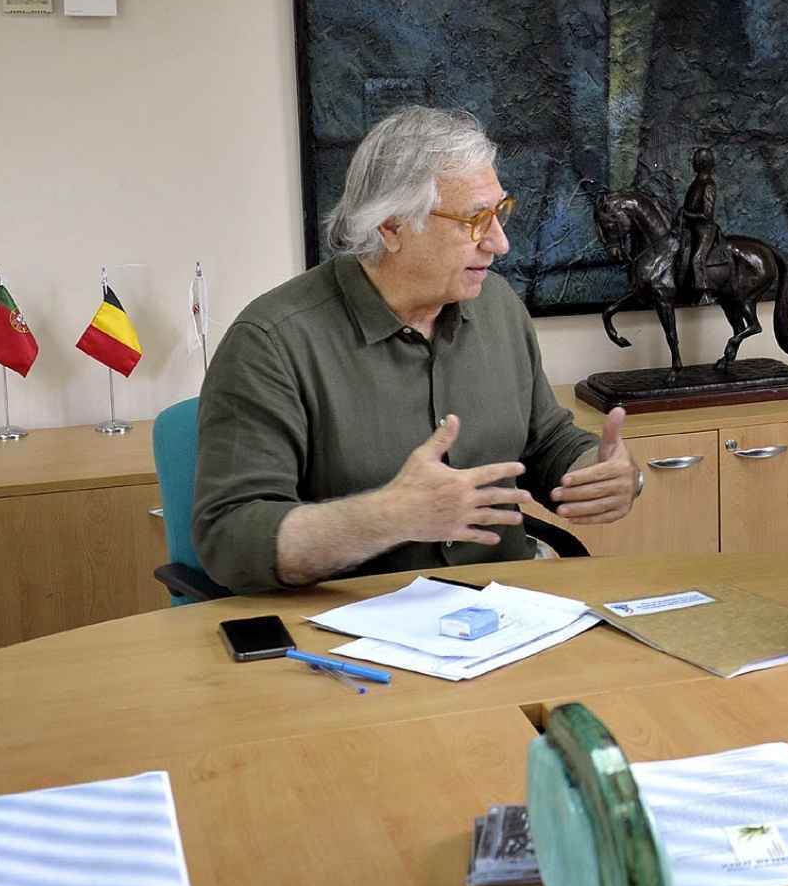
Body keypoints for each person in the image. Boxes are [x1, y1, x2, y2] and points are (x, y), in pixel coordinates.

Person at [194, 106, 643, 591]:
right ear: (391, 227)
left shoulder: (498, 307)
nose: (499, 242)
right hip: (347, 632)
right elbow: (231, 540)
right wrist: (386, 517)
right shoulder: (272, 342)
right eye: (474, 220)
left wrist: (599, 473)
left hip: (505, 611)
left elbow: (544, 443)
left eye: (500, 213)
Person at [680, 147, 726, 295]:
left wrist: (686, 214)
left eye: (696, 160)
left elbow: (707, 215)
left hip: (704, 229)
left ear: (702, 163)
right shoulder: (696, 183)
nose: (693, 162)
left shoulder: (708, 185)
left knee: (696, 259)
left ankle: (704, 292)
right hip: (691, 228)